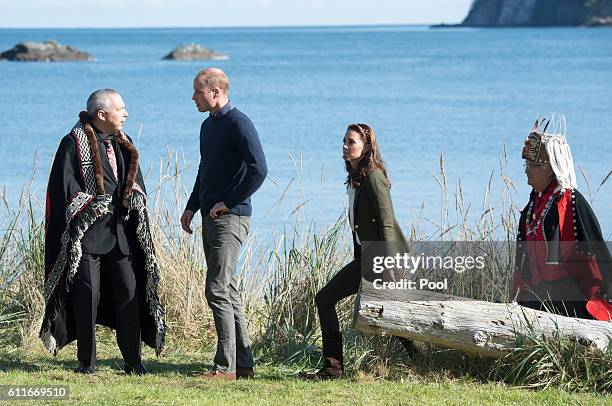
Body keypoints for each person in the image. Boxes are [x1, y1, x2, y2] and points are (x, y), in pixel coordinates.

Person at [40, 89, 166, 375]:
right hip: (87, 238)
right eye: (120, 109)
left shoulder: (125, 141)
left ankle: (134, 362)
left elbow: (136, 183)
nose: (126, 114)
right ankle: (87, 363)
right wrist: (90, 207)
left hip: (122, 236)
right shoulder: (73, 143)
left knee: (130, 294)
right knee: (87, 298)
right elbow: (62, 190)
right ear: (102, 114)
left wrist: (133, 195)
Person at [300, 123, 414, 380]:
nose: (345, 146)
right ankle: (334, 367)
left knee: (327, 299)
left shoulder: (373, 176)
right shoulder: (356, 179)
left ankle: (333, 368)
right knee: (385, 309)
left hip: (382, 257)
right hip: (368, 258)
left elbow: (386, 221)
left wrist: (390, 264)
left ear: (366, 147)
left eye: (351, 142)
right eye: (344, 141)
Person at [180, 68, 267, 380]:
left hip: (231, 217)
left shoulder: (239, 123)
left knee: (216, 287)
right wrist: (192, 206)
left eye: (197, 92)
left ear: (215, 92)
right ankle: (242, 365)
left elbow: (259, 169)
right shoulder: (208, 127)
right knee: (226, 288)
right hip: (211, 216)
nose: (193, 97)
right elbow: (205, 170)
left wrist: (228, 202)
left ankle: (224, 367)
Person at [512, 117, 612, 321]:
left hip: (569, 299)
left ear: (551, 169)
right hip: (538, 295)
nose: (527, 170)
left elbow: (596, 259)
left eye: (534, 164)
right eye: (526, 163)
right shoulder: (534, 203)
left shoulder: (570, 202)